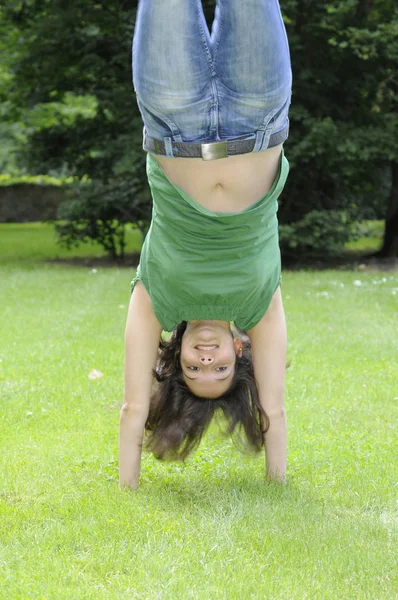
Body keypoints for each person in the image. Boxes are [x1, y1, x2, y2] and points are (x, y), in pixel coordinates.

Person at [119, 0, 292, 488]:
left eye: (196, 367)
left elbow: (135, 407)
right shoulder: (259, 310)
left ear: (177, 357)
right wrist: (276, 485)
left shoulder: (157, 303)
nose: (207, 357)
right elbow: (273, 411)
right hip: (260, 116)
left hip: (173, 121)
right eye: (219, 367)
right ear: (241, 351)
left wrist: (126, 491)